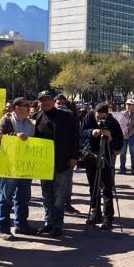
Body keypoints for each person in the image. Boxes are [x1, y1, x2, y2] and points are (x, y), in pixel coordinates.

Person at [35, 91, 80, 237]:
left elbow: (75, 136)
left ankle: (58, 225)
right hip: (44, 163)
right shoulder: (38, 117)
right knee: (46, 195)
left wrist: (74, 156)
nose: (45, 103)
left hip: (62, 162)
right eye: (42, 101)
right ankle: (48, 223)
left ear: (53, 101)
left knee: (59, 196)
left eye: (47, 100)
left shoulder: (66, 116)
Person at [0, 97, 38, 240]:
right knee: (6, 198)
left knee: (23, 197)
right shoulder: (6, 120)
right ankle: (4, 229)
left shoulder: (32, 124)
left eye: (27, 105)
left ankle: (21, 225)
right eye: (23, 105)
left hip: (25, 166)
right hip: (10, 166)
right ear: (16, 108)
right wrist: (15, 136)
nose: (26, 108)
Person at [81, 103, 123, 230]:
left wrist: (110, 137)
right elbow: (81, 131)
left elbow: (119, 143)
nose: (99, 120)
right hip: (91, 155)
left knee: (107, 188)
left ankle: (108, 218)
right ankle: (95, 213)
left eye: (102, 118)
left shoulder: (113, 122)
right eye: (97, 117)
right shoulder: (88, 117)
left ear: (107, 114)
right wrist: (91, 132)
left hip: (106, 156)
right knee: (93, 187)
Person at [117, 100, 134, 175]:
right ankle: (122, 168)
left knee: (133, 153)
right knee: (122, 153)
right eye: (127, 104)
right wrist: (124, 134)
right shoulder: (121, 114)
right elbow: (119, 125)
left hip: (132, 136)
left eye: (130, 104)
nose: (128, 106)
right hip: (123, 136)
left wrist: (129, 134)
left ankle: (133, 169)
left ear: (133, 106)